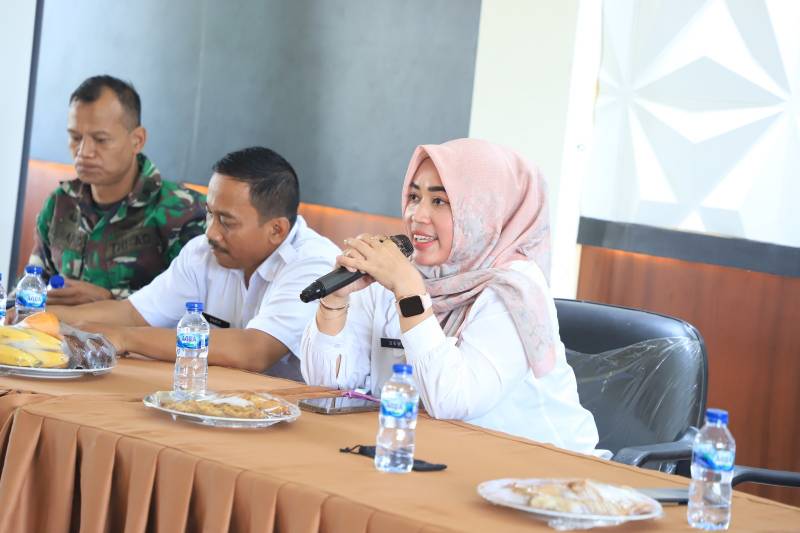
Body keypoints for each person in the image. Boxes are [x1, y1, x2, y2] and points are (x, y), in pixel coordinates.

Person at [299, 138, 600, 454]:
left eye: (440, 201)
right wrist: (335, 301)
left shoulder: (513, 290)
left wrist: (409, 292)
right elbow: (327, 385)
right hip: (431, 456)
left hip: (545, 467)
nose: (417, 215)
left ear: (485, 211)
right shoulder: (399, 271)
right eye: (414, 196)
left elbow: (453, 400)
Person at [49, 146, 340, 379]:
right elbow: (132, 313)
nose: (211, 232)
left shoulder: (314, 265)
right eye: (210, 214)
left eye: (226, 221)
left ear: (276, 230)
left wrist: (126, 339)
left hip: (298, 415)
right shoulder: (204, 251)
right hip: (222, 399)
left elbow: (254, 351)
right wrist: (44, 316)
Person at [29, 75, 206, 305]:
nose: (84, 151)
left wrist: (109, 299)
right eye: (75, 137)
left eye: (100, 140)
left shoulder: (185, 211)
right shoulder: (59, 203)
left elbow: (193, 304)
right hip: (56, 328)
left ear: (137, 140)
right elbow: (31, 288)